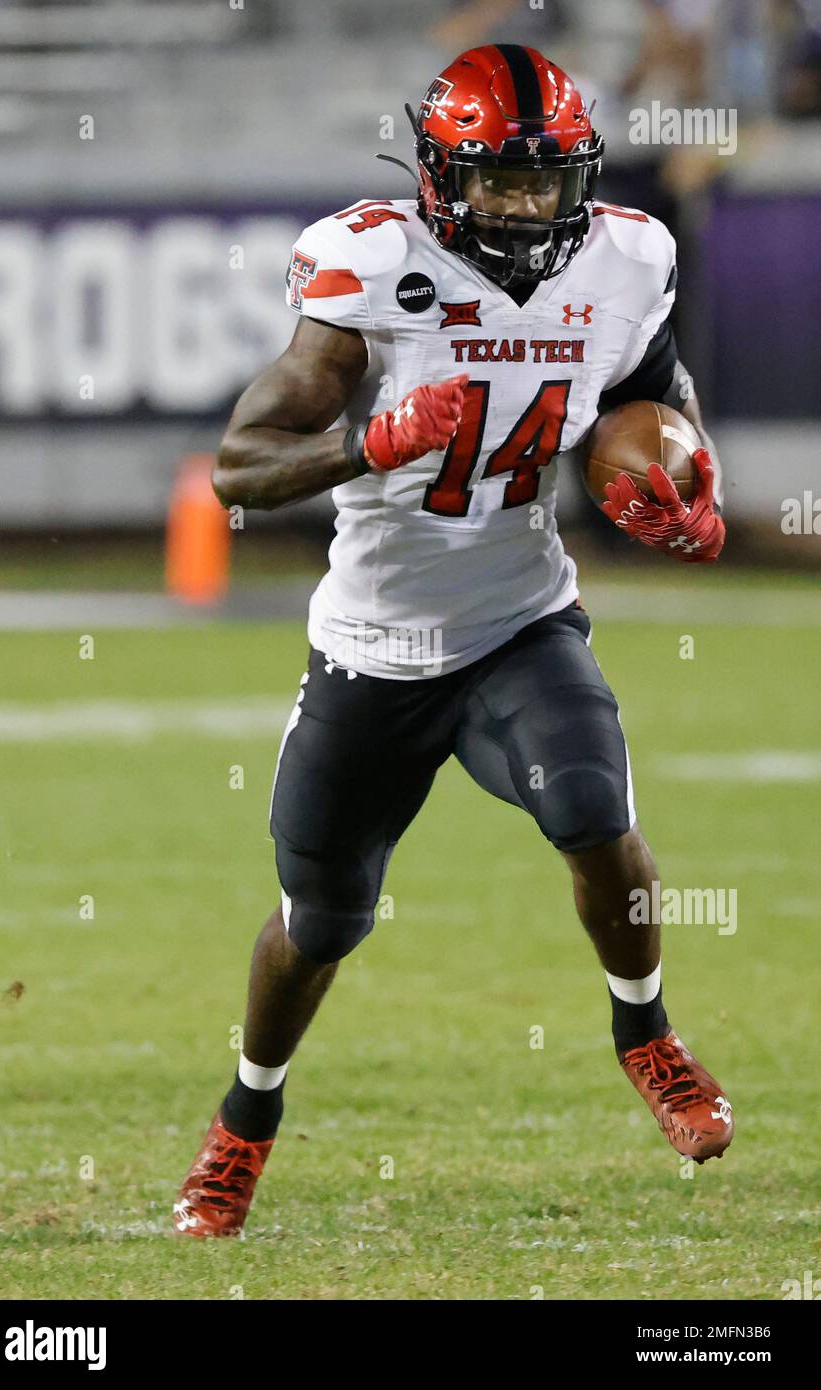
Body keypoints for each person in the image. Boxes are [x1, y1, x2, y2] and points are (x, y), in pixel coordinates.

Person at [174, 44, 732, 1239]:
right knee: (320, 921)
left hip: (516, 619)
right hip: (370, 643)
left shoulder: (628, 257)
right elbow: (239, 468)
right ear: (437, 177)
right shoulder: (371, 265)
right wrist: (366, 445)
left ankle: (648, 1036)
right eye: (495, 182)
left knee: (593, 812)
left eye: (543, 180)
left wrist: (690, 482)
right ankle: (243, 1123)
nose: (523, 207)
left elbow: (656, 393)